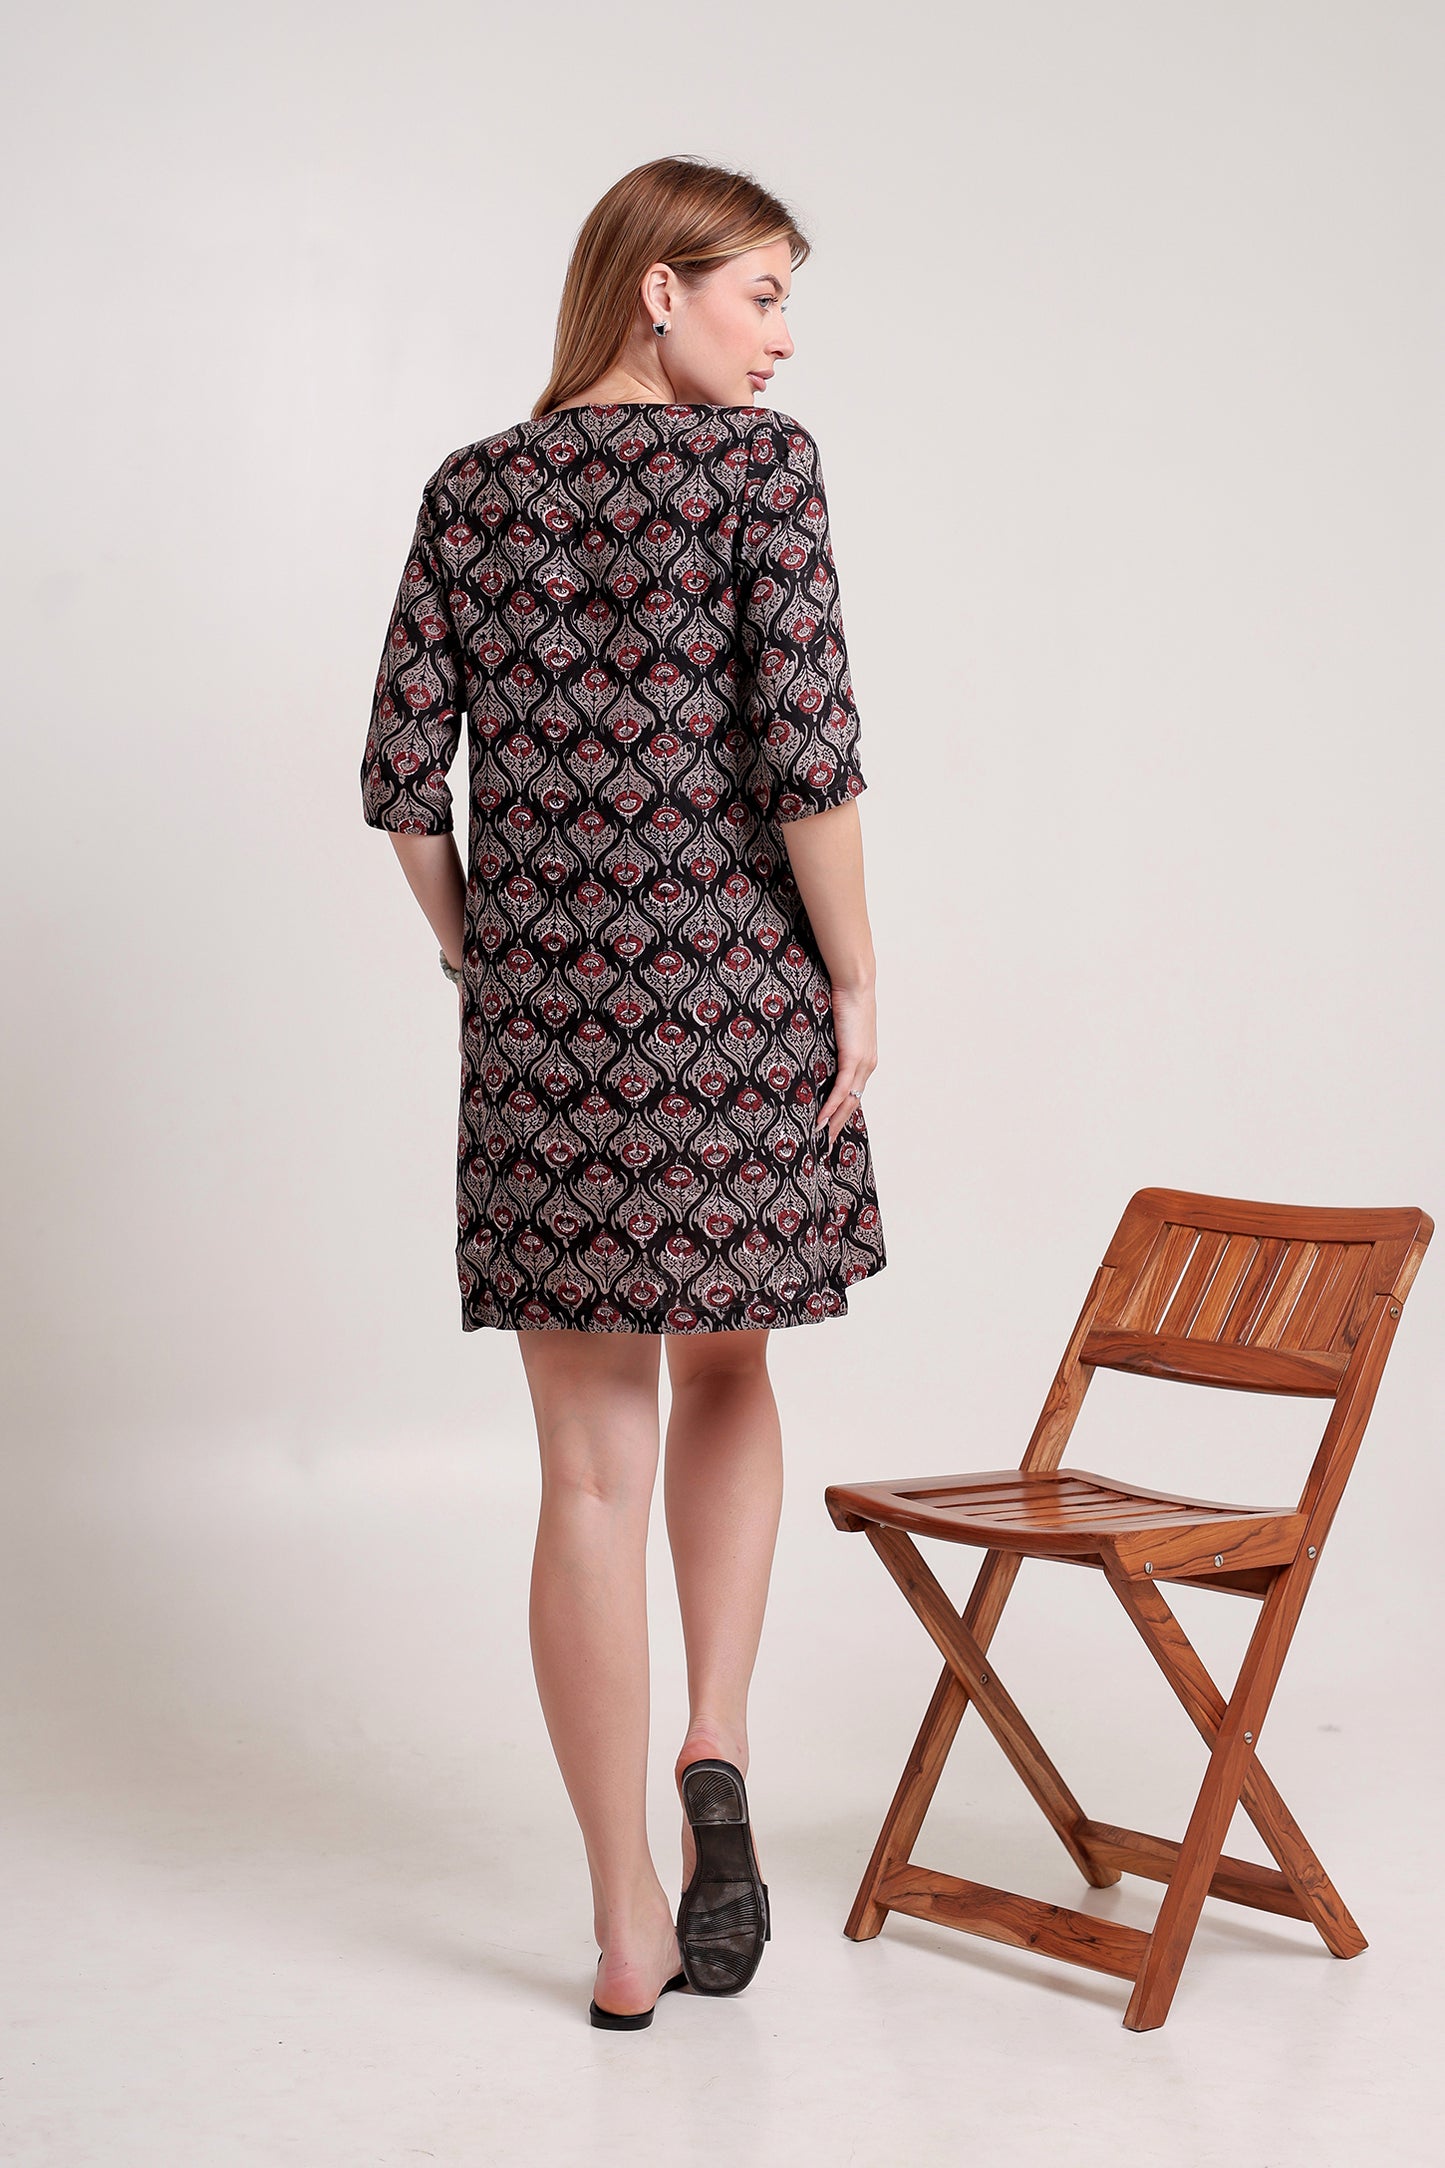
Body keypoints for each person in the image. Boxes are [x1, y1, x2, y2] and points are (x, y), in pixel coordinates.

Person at [359, 155, 887, 2027]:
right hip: (733, 1005)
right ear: (657, 292)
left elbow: (401, 789)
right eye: (758, 294)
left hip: (545, 1039)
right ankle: (714, 1744)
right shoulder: (762, 472)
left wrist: (484, 961)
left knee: (581, 1471)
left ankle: (618, 1926)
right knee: (732, 1360)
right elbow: (808, 758)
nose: (781, 337)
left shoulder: (469, 491)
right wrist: (850, 976)